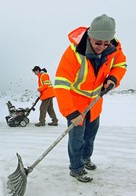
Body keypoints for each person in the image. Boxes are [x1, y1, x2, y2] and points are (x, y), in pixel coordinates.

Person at [54, 14, 127, 182]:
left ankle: (85, 159)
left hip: (95, 102)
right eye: (98, 42)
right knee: (76, 137)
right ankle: (76, 167)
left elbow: (120, 65)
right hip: (75, 103)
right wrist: (71, 113)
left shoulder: (114, 47)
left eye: (106, 43)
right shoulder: (73, 53)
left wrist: (113, 78)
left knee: (90, 134)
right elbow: (61, 84)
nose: (102, 46)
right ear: (90, 36)